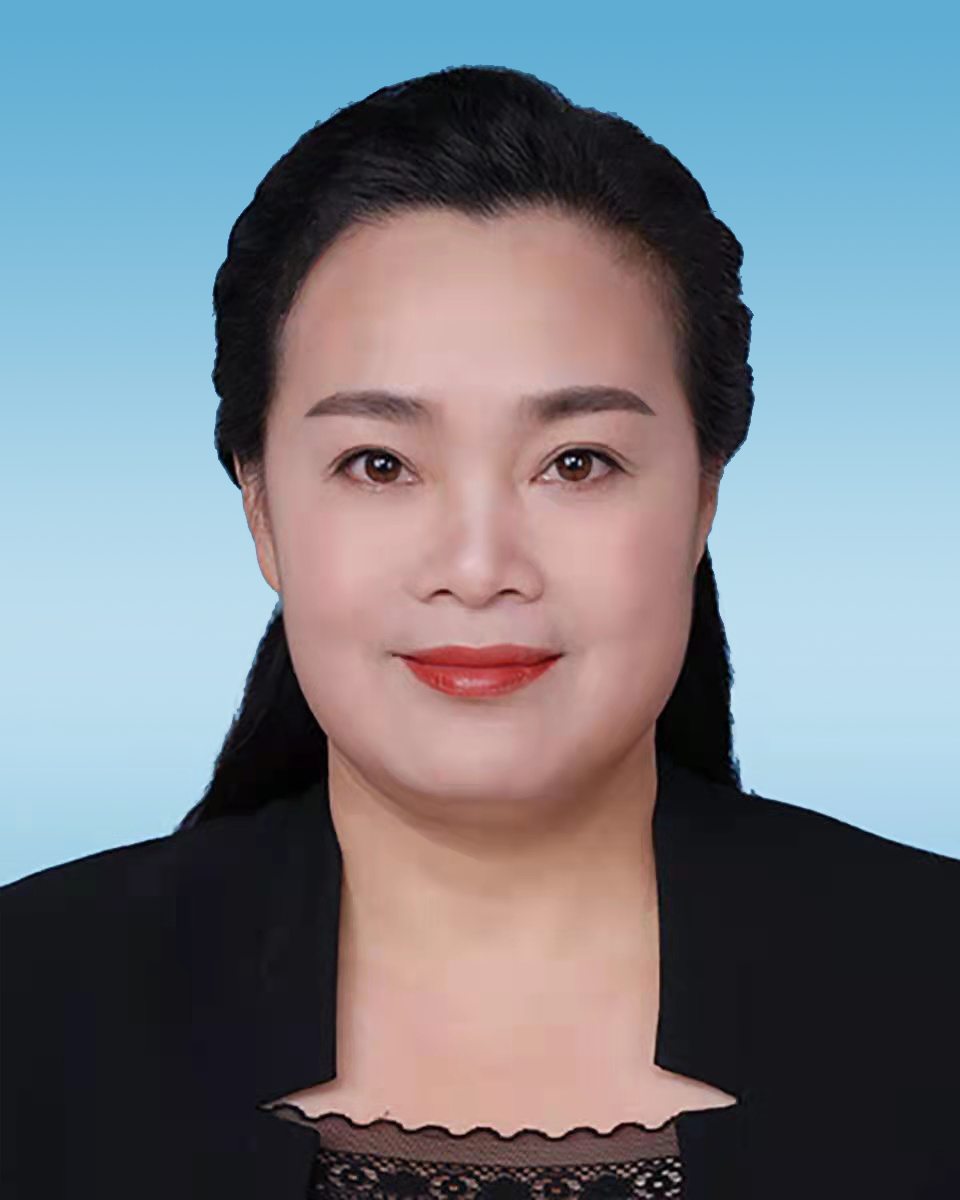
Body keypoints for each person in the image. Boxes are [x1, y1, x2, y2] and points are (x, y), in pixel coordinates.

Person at [2, 64, 958, 1200]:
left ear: (704, 497)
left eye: (576, 462)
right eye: (379, 464)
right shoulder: (31, 1004)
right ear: (261, 510)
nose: (477, 568)